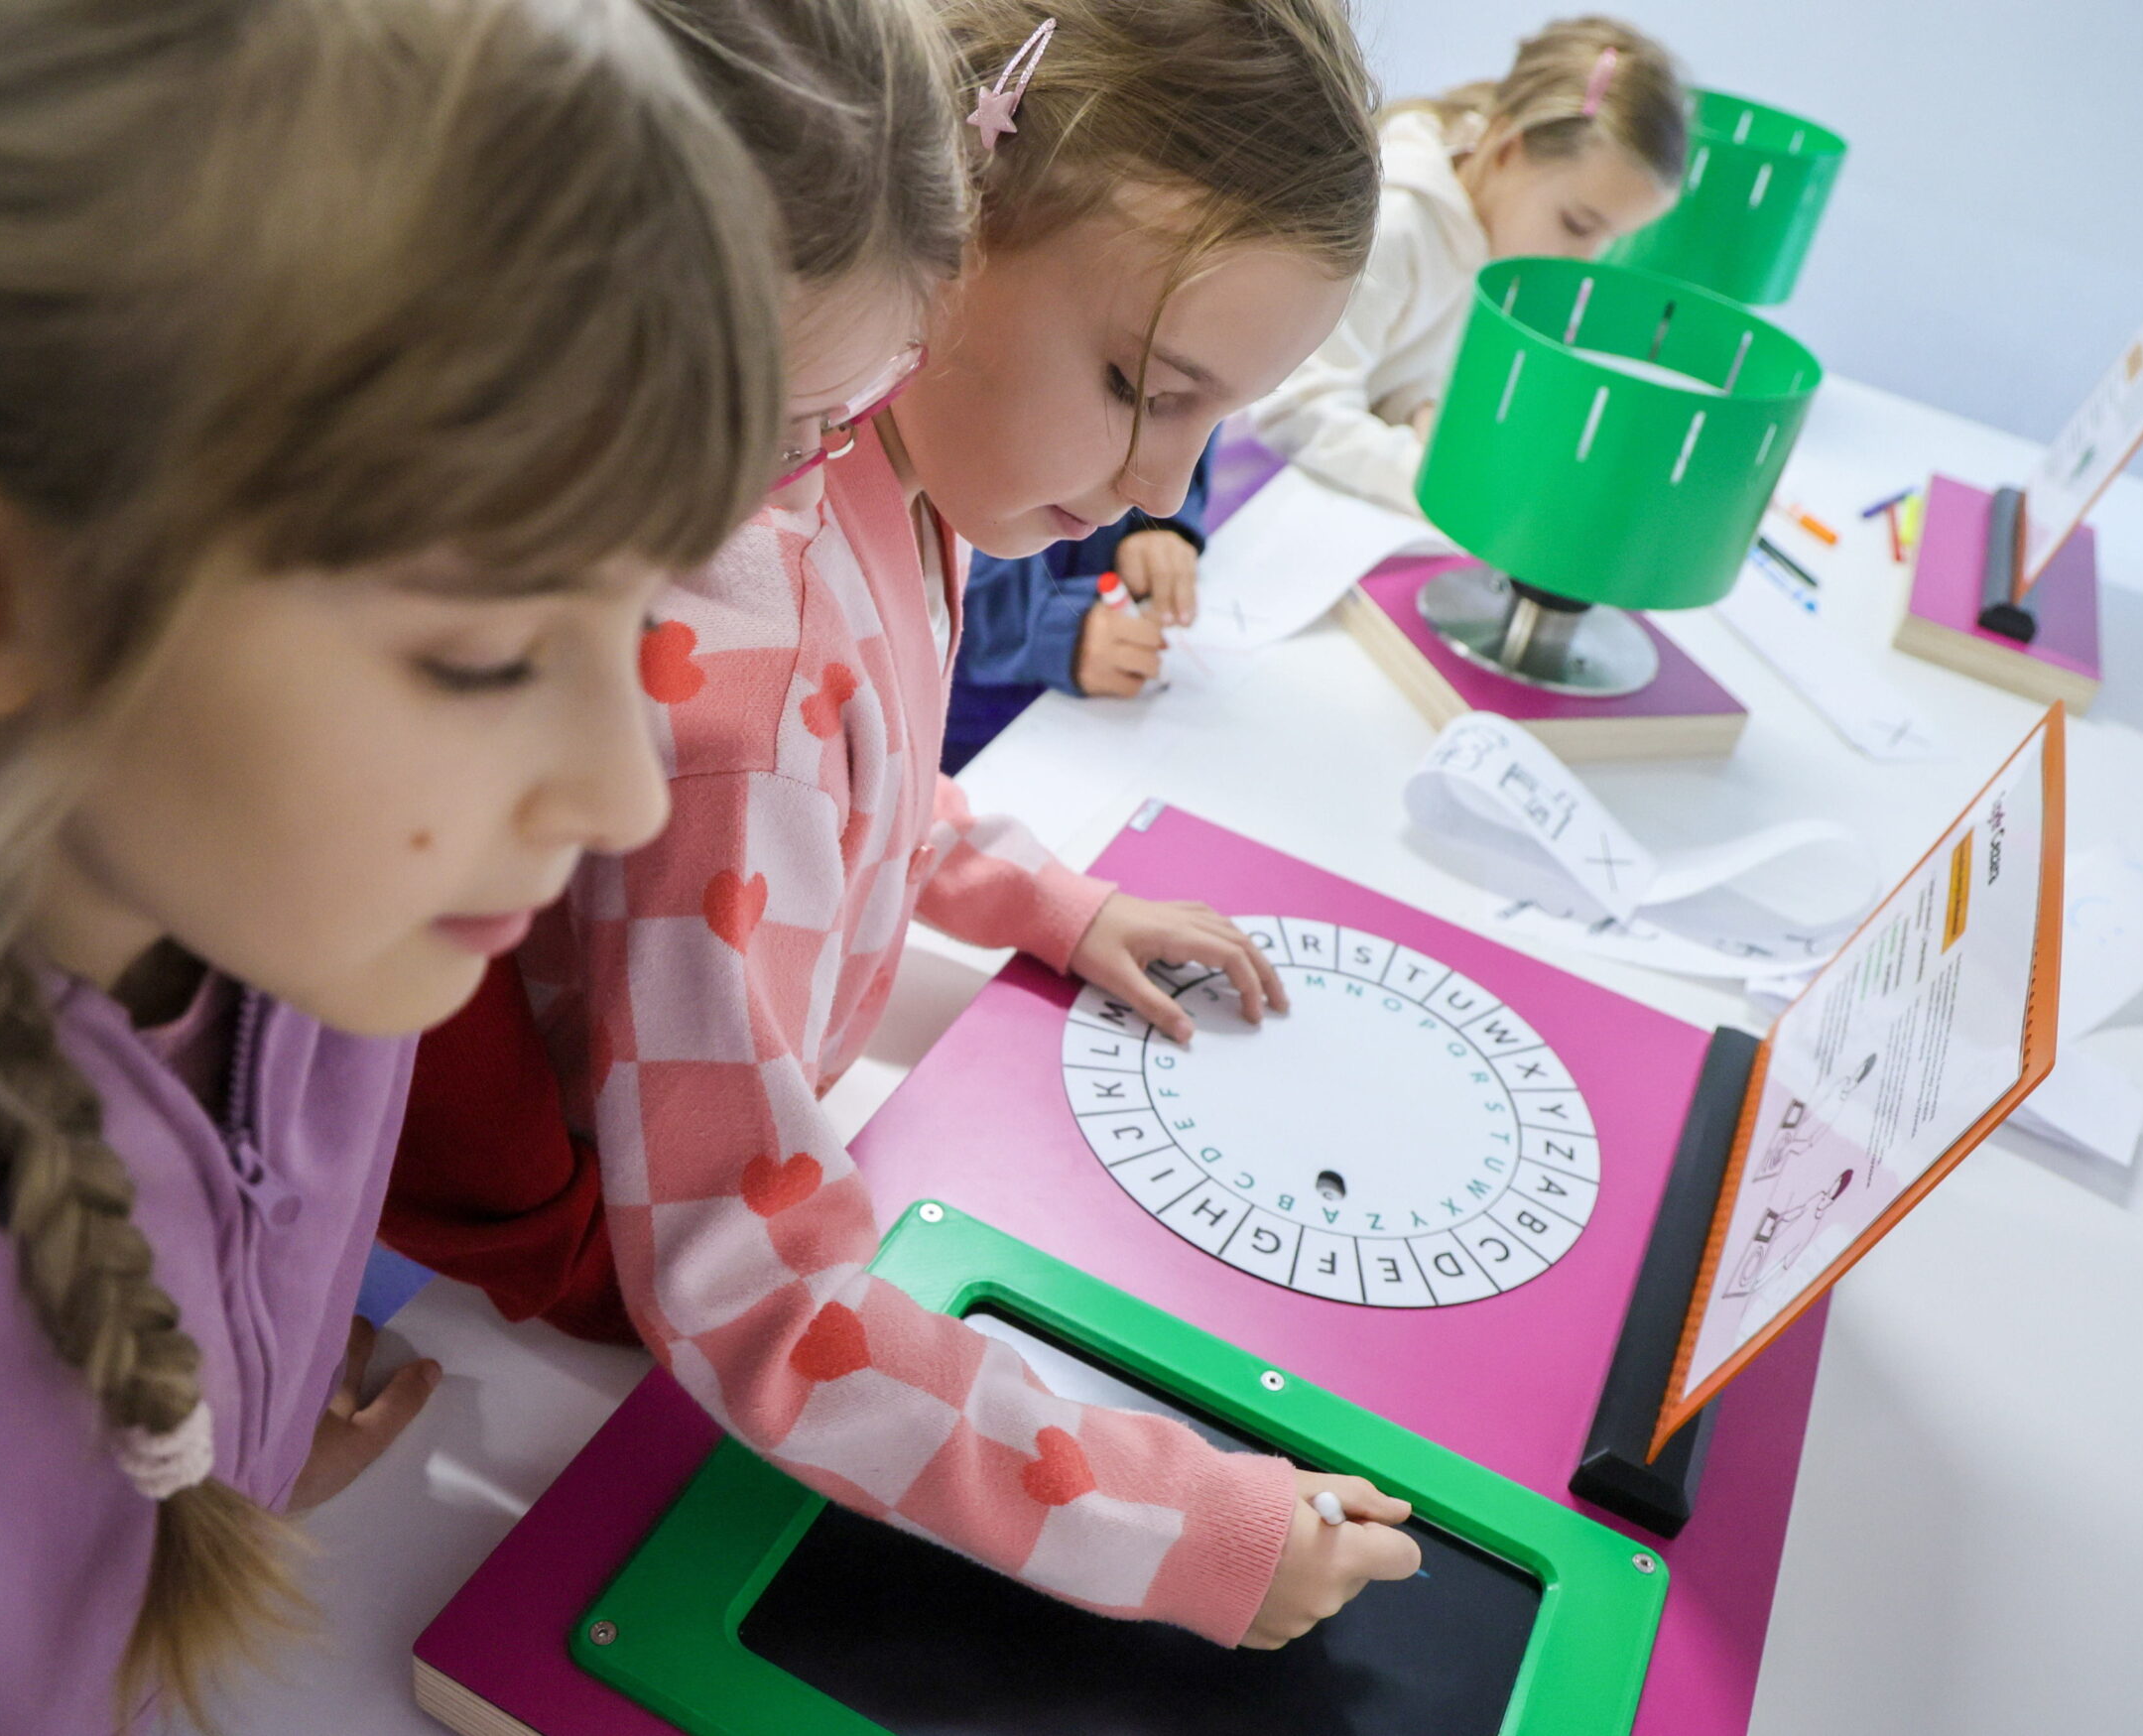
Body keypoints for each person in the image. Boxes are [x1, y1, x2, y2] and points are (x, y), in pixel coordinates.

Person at [0, 0, 784, 1728]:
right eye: (483, 656)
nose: (622, 795)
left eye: (640, 615)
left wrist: (194, 1474)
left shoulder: (294, 903)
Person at [388, 0, 1426, 1654]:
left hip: (718, 1172)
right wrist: (1193, 1533)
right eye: (1142, 389)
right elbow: (753, 1299)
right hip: (600, 1291)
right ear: (947, 227)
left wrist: (1044, 898)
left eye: (1210, 418)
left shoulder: (893, 468)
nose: (1165, 488)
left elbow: (866, 785)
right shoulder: (753, 660)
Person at [1250, 15, 1688, 518]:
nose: (1585, 260)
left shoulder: (1494, 234)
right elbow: (1293, 409)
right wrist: (1454, 485)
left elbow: (1394, 366)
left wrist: (1418, 409)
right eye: (1577, 225)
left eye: (1610, 240)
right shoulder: (1396, 223)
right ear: (1506, 147)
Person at [940, 434, 1217, 774]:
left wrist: (1156, 522)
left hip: (1083, 716)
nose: (1167, 499)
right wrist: (1040, 626)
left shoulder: (1157, 497)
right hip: (966, 730)